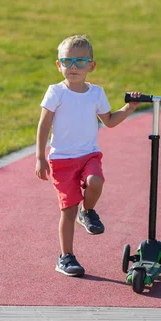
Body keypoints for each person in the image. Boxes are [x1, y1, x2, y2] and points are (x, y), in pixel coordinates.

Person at [35, 35, 141, 277]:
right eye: (67, 61)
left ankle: (88, 211)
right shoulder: (55, 92)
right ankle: (66, 257)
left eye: (80, 61)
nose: (73, 67)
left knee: (96, 182)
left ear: (91, 66)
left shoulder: (96, 93)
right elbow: (43, 126)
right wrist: (40, 157)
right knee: (68, 209)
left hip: (89, 155)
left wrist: (128, 109)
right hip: (61, 159)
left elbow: (109, 121)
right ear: (58, 65)